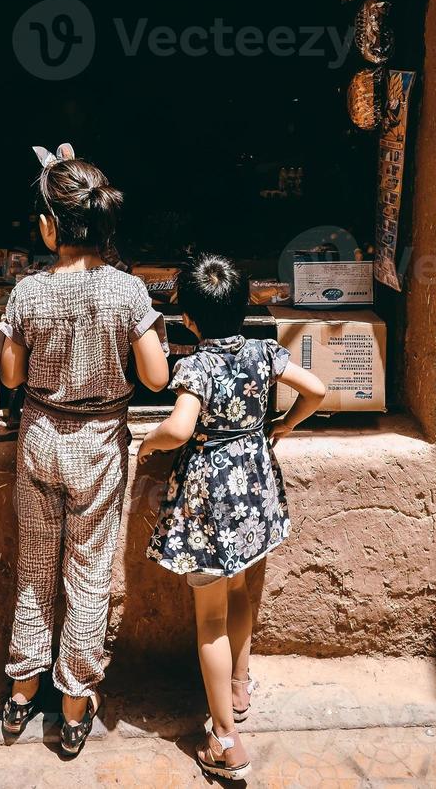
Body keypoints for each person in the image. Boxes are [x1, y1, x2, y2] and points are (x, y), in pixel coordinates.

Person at [0, 144, 171, 755]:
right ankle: (73, 704)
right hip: (99, 446)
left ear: (50, 226)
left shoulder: (28, 293)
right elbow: (154, 377)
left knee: (35, 569)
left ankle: (20, 693)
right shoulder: (126, 293)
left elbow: (12, 378)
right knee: (88, 573)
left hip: (41, 437)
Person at [138, 253, 326, 782]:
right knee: (240, 590)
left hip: (209, 499)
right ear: (244, 307)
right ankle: (241, 685)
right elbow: (316, 389)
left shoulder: (195, 365)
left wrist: (147, 445)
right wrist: (285, 425)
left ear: (189, 320)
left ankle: (224, 737)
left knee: (211, 619)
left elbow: (179, 429)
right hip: (254, 491)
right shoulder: (265, 352)